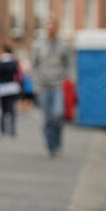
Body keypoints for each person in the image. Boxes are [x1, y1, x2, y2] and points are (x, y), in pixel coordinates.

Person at [32, 14, 71, 156]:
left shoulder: (63, 45)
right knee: (47, 118)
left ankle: (58, 141)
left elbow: (68, 64)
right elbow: (34, 65)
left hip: (58, 85)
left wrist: (68, 79)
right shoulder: (38, 45)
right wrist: (35, 84)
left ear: (56, 27)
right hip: (43, 86)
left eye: (53, 25)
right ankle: (51, 146)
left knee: (57, 115)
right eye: (48, 25)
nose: (50, 28)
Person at [0, 43, 21, 137]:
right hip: (12, 87)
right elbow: (18, 74)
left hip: (2, 88)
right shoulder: (14, 62)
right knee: (12, 109)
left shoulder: (0, 62)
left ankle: (2, 130)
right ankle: (12, 130)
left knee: (2, 110)